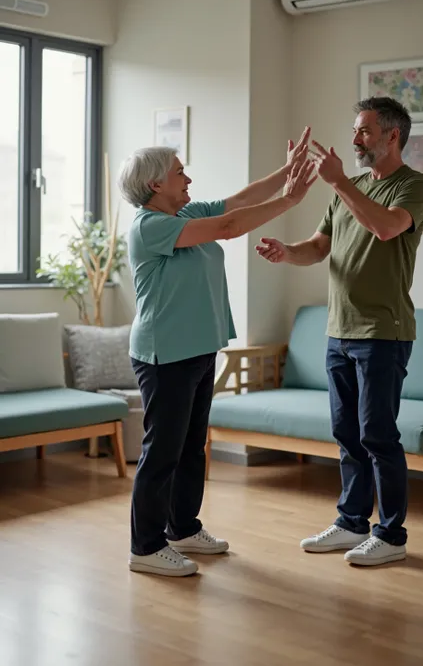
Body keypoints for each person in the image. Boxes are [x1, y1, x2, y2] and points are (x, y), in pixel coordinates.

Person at [118, 129, 317, 577]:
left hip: (198, 348)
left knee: (191, 448)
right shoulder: (152, 227)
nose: (187, 179)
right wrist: (290, 200)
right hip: (163, 354)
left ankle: (182, 528)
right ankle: (145, 547)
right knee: (163, 451)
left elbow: (237, 202)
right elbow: (229, 228)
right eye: (178, 172)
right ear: (155, 184)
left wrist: (287, 174)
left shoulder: (184, 212)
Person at [256, 97, 423, 567]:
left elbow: (385, 228)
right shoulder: (347, 187)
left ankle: (391, 535)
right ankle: (351, 522)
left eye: (364, 131)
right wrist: (285, 252)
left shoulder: (414, 186)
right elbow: (318, 247)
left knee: (378, 434)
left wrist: (338, 182)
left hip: (384, 331)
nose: (355, 139)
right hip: (339, 330)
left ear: (392, 135)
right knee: (346, 432)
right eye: (355, 131)